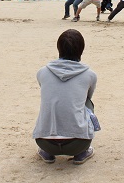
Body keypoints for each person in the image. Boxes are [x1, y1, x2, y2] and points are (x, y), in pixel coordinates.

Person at [33, 29, 97, 164]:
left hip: (44, 142)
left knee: (52, 101)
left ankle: (48, 153)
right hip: (78, 143)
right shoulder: (90, 75)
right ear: (81, 49)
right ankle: (81, 154)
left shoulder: (42, 72)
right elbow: (87, 98)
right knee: (87, 103)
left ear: (58, 48)